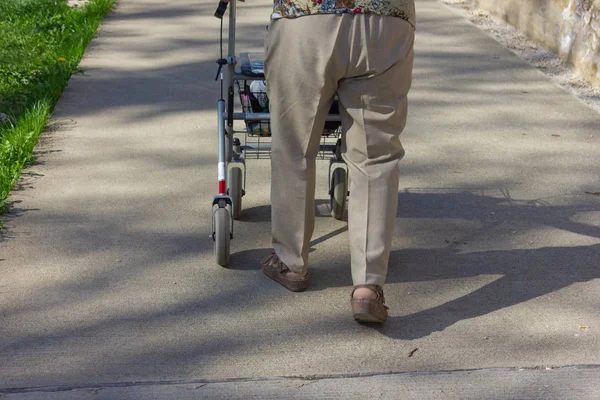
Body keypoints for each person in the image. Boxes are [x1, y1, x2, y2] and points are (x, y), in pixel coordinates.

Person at [245, 0, 416, 323]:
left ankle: (290, 261)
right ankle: (367, 286)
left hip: (306, 18)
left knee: (294, 147)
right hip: (386, 22)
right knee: (376, 158)